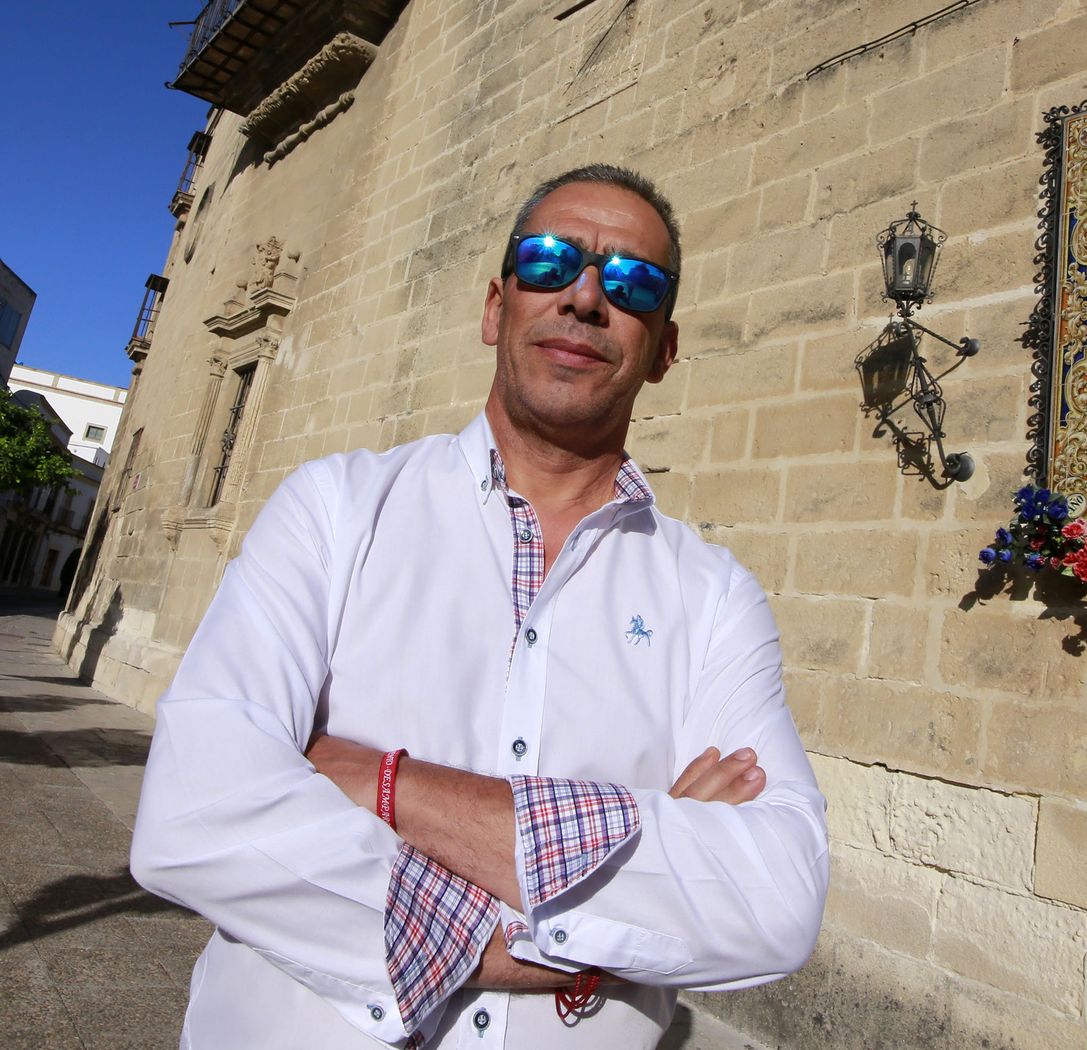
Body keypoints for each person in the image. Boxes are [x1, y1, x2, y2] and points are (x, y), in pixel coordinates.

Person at [130, 164, 829, 1049]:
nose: (584, 296)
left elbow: (775, 900)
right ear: (496, 308)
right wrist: (614, 922)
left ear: (664, 350)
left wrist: (385, 784)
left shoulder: (714, 595)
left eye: (632, 283)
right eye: (549, 261)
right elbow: (194, 817)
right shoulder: (335, 510)